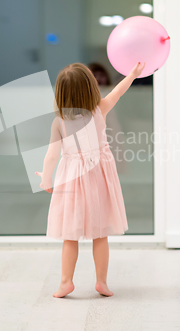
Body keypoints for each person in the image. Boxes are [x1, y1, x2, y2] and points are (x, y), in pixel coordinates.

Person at [35, 61, 145, 298]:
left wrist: (46, 178)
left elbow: (52, 155)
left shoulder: (59, 122)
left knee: (70, 235)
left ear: (61, 93)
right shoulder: (100, 109)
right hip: (98, 178)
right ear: (90, 89)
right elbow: (118, 91)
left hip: (72, 178)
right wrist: (133, 74)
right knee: (100, 233)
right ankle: (101, 282)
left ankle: (66, 282)